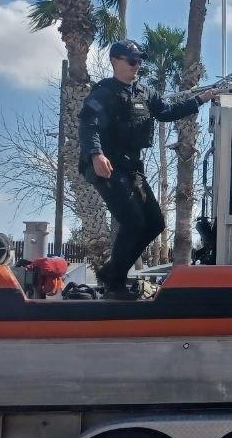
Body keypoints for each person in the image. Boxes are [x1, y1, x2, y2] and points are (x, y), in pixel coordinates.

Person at [80, 39, 219, 299]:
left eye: (140, 62)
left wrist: (200, 98)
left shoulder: (145, 93)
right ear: (115, 61)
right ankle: (114, 284)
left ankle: (112, 272)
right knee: (133, 221)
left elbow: (167, 112)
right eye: (132, 61)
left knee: (154, 223)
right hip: (107, 166)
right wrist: (96, 154)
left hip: (132, 167)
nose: (137, 66)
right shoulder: (104, 93)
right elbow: (89, 127)